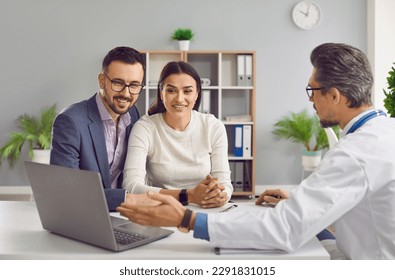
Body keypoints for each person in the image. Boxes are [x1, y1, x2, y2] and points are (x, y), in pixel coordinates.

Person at [117, 43, 395, 259]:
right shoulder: (381, 133)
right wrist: (298, 200)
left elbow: (284, 230)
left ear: (334, 95)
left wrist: (187, 218)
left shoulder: (355, 152)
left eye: (313, 90)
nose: (311, 99)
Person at [122, 61, 232, 208]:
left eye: (187, 91)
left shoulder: (213, 126)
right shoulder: (145, 128)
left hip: (205, 208)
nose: (179, 99)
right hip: (160, 209)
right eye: (171, 90)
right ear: (161, 93)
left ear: (197, 94)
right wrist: (188, 196)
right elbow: (131, 186)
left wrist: (220, 196)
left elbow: (225, 183)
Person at [50, 46, 145, 211]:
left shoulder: (134, 114)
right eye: (118, 83)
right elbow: (66, 192)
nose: (126, 93)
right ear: (102, 80)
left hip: (126, 216)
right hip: (85, 215)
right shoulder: (70, 122)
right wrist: (129, 199)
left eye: (134, 85)